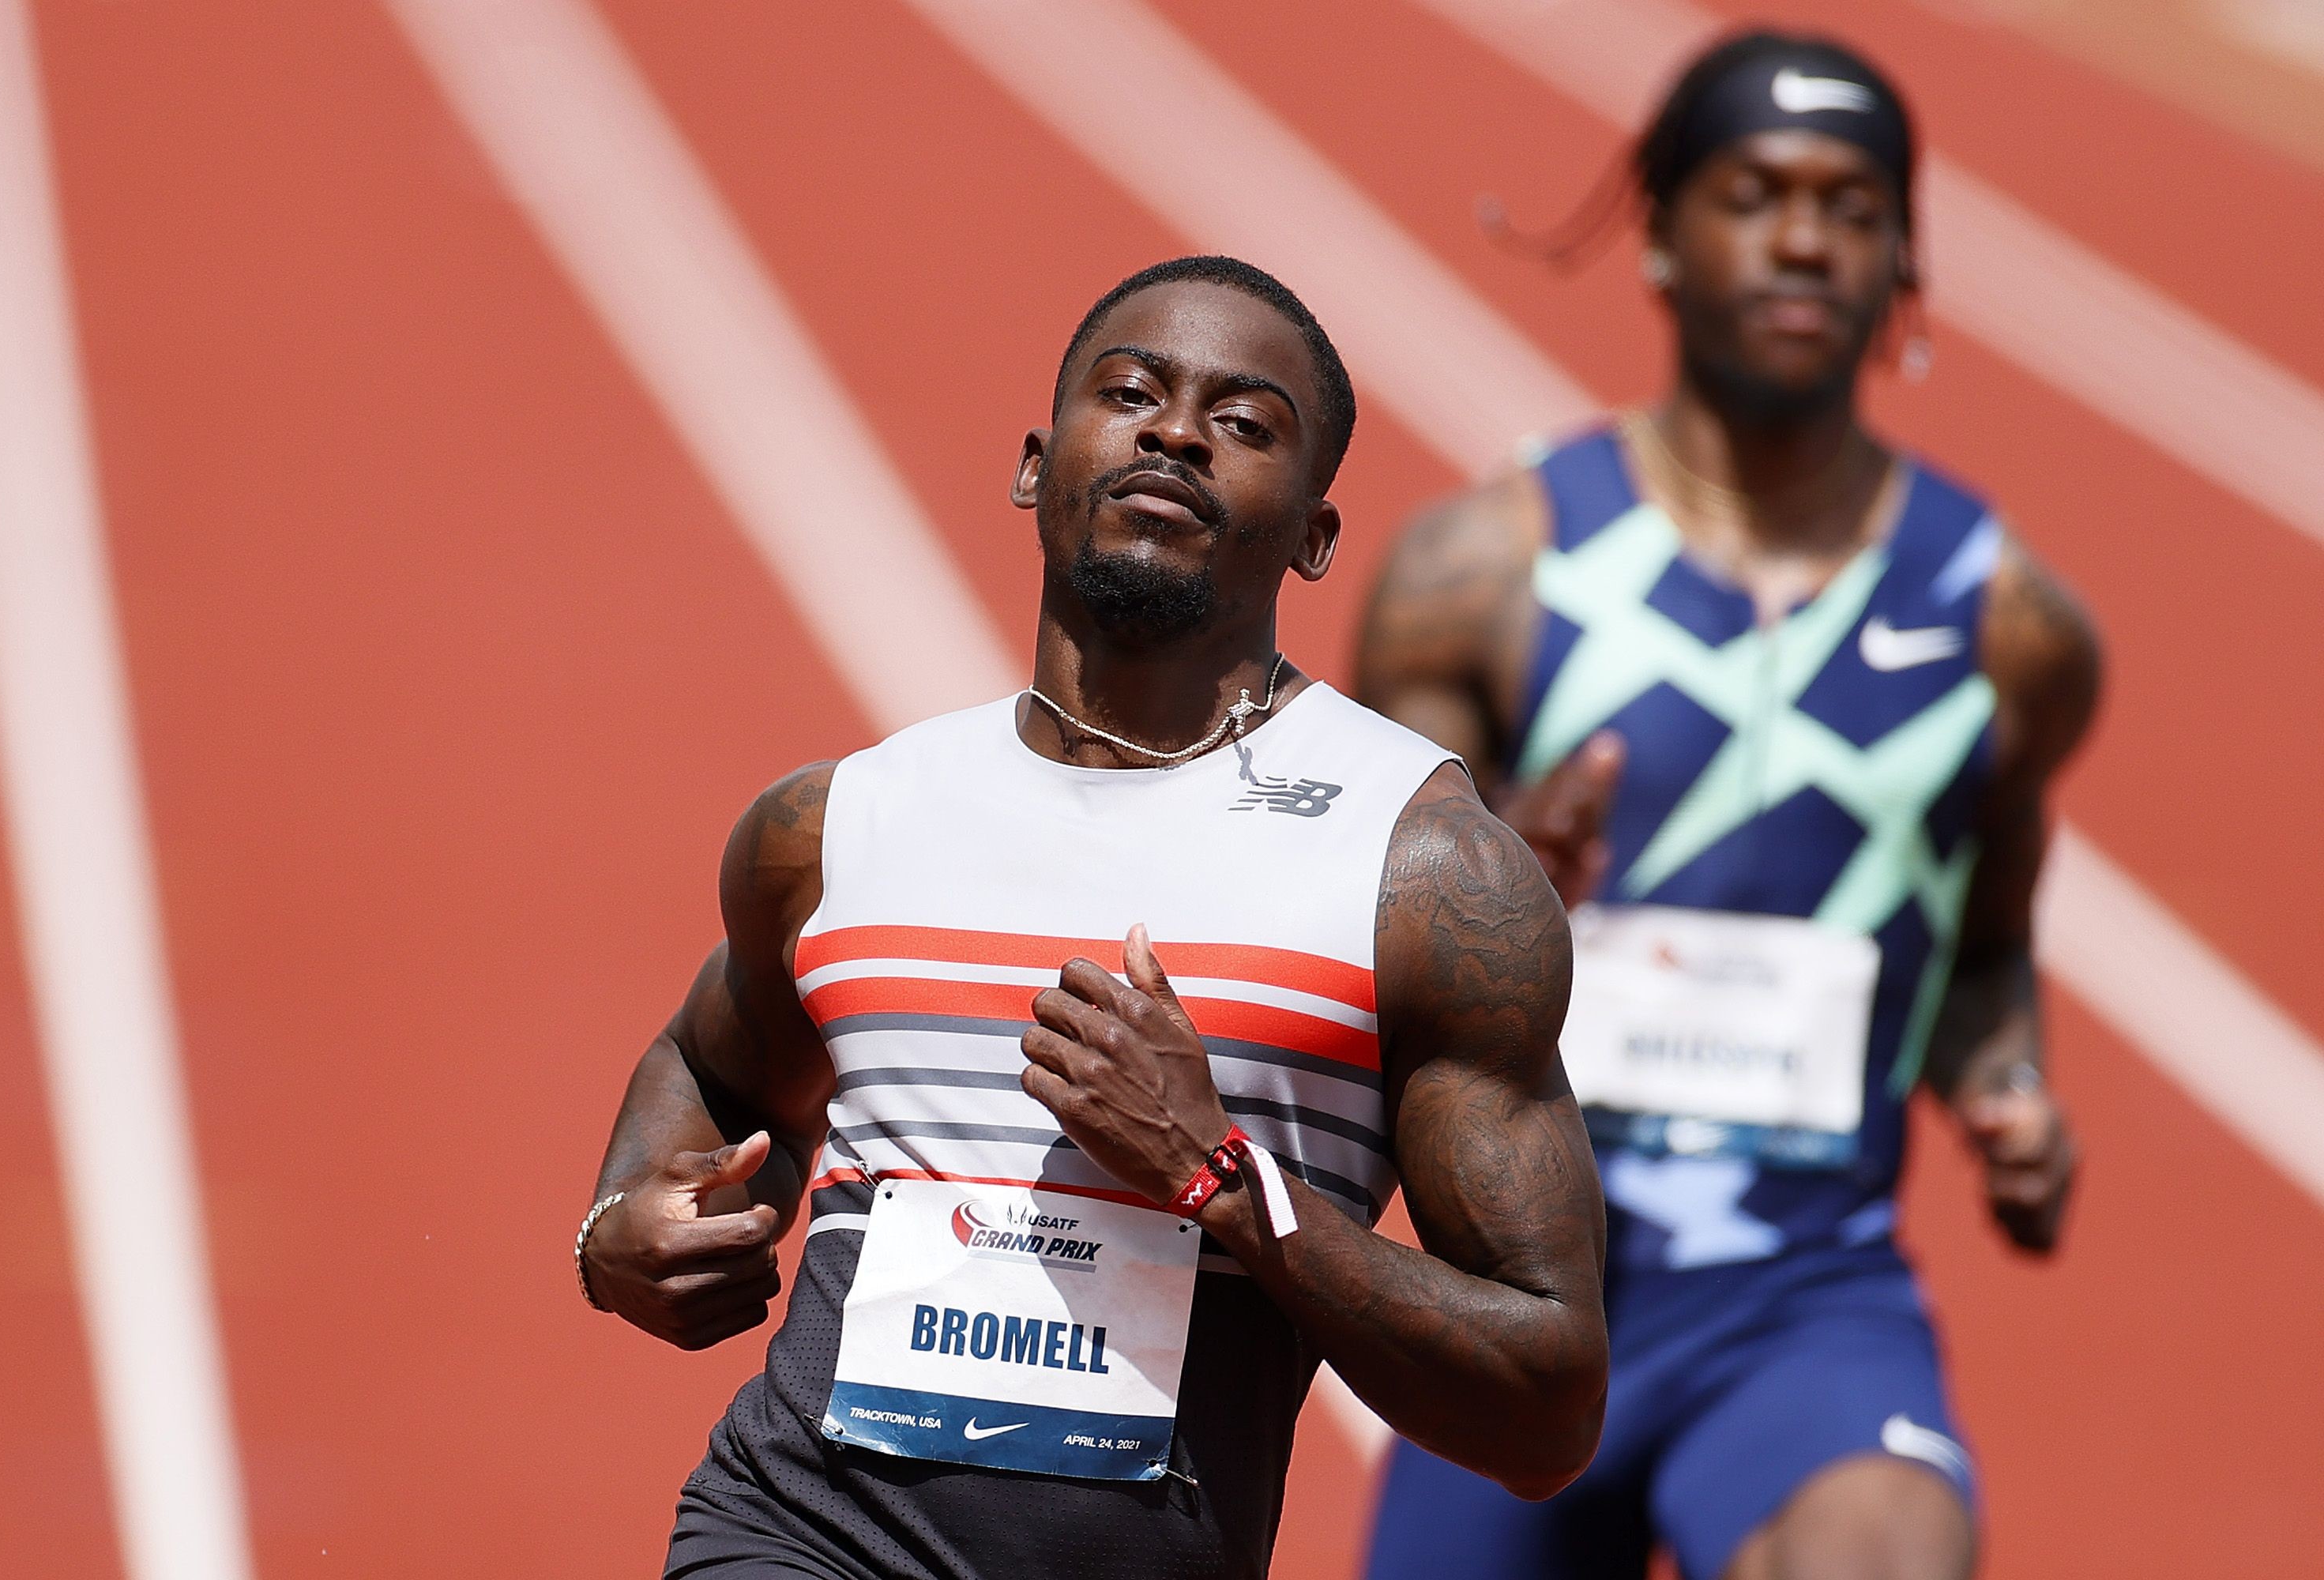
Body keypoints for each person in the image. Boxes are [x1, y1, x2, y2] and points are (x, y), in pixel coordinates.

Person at [576, 254, 1610, 1580]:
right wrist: (624, 1228)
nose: (1175, 433)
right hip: (796, 1533)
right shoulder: (839, 824)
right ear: (1033, 466)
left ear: (1314, 536)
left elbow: (1546, 1407)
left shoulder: (1420, 869)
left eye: (1244, 423)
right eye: (1131, 394)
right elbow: (711, 1066)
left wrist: (1220, 1181)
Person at [1356, 31, 2100, 1580]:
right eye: (1755, 195)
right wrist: (1493, 879)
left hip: (1802, 1294)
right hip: (1517, 1282)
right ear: (1659, 234)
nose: (1805, 240)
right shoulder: (1481, 578)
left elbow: (1979, 953)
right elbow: (1350, 955)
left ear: (1906, 259)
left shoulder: (2007, 626)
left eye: (1851, 205)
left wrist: (2010, 1090)